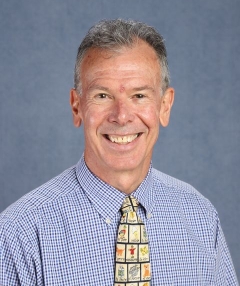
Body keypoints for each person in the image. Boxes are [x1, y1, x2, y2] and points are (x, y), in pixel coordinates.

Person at [0, 19, 238, 285]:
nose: (122, 116)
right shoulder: (19, 232)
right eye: (103, 96)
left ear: (165, 106)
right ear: (77, 107)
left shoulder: (201, 217)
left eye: (139, 96)